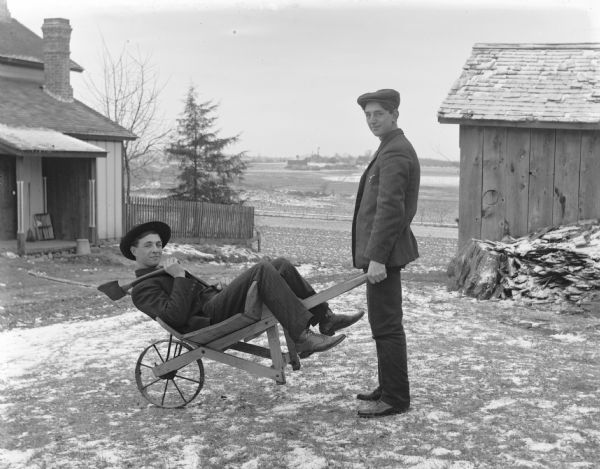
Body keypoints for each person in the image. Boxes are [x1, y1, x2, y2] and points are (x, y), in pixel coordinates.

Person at [120, 221, 364, 358]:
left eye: (159, 244)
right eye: (148, 245)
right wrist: (181, 278)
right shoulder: (142, 289)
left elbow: (188, 297)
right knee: (262, 269)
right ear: (134, 251)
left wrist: (212, 288)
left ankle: (326, 318)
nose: (156, 249)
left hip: (212, 305)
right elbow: (175, 316)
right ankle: (301, 337)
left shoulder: (163, 271)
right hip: (206, 322)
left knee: (280, 264)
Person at [352, 89, 420, 418]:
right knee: (383, 324)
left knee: (387, 326)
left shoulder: (396, 153)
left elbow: (390, 210)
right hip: (382, 255)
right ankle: (388, 387)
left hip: (385, 257)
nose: (372, 120)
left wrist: (377, 257)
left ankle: (395, 397)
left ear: (394, 114)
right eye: (368, 115)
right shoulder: (389, 148)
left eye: (378, 113)